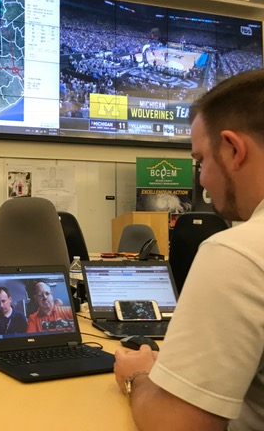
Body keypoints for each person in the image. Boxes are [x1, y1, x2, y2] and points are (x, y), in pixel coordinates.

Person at [113, 69, 264, 430]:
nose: (201, 179)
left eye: (200, 161)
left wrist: (140, 376)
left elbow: (179, 425)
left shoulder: (239, 252)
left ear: (233, 149)